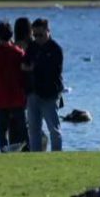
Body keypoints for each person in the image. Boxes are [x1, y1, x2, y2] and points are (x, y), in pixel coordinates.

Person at [0, 22, 28, 151]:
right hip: (18, 99)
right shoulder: (19, 53)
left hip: (0, 99)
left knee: (2, 132)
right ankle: (26, 153)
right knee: (22, 130)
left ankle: (4, 153)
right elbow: (25, 77)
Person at [22, 18, 64, 151]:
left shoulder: (56, 49)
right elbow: (25, 63)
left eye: (40, 35)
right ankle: (35, 156)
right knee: (34, 130)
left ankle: (56, 155)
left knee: (54, 130)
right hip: (33, 94)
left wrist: (34, 68)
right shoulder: (32, 47)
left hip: (49, 95)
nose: (38, 38)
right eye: (35, 35)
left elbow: (54, 72)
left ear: (48, 31)